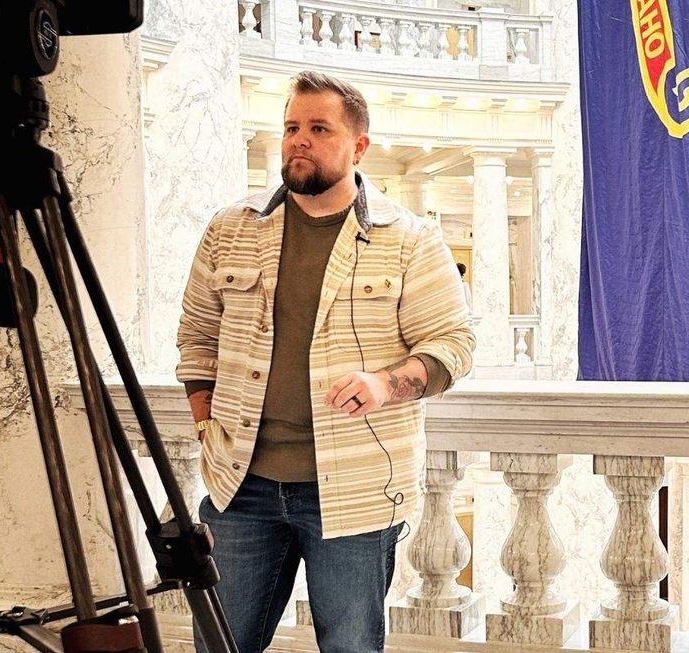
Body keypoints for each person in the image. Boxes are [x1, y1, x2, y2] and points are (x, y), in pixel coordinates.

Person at [176, 71, 475, 653]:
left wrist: (386, 384)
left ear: (359, 146)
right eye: (291, 127)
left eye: (318, 128)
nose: (299, 141)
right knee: (218, 644)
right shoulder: (231, 230)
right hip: (240, 486)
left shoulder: (410, 238)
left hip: (357, 490)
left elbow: (452, 345)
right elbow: (196, 338)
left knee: (351, 647)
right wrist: (206, 423)